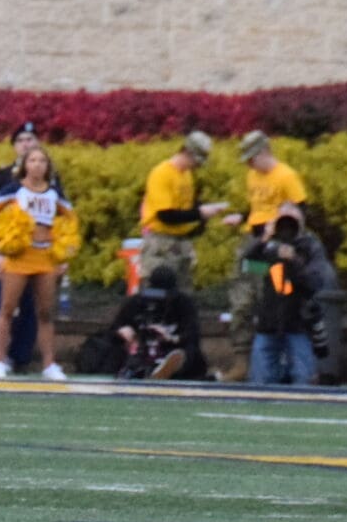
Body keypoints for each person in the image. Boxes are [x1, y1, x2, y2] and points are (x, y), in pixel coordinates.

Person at [0, 122, 66, 368]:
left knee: (43, 311)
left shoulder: (54, 189)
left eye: (31, 140)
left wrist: (63, 253)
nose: (27, 145)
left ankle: (41, 362)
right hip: (15, 256)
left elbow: (68, 221)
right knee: (5, 306)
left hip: (44, 256)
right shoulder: (6, 181)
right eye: (22, 140)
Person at [220, 130, 308, 378]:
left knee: (270, 299)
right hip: (254, 244)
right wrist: (242, 218)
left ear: (263, 152)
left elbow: (300, 211)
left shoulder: (286, 176)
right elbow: (256, 209)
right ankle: (241, 360)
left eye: (251, 158)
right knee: (243, 296)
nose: (249, 164)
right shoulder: (252, 176)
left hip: (274, 246)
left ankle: (280, 365)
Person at [244, 204, 326, 385]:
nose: (286, 226)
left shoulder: (309, 247)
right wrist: (263, 239)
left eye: (292, 221)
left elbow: (315, 283)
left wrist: (294, 261)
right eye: (282, 220)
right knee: (261, 378)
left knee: (302, 378)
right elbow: (248, 267)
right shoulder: (269, 247)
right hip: (269, 320)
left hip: (298, 321)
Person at [138, 131, 228, 290]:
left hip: (181, 242)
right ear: (187, 152)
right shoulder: (161, 174)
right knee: (156, 291)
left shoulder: (186, 175)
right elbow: (165, 215)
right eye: (197, 161)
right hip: (161, 242)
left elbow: (187, 207)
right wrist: (200, 213)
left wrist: (206, 211)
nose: (197, 166)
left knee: (182, 293)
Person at [111, 265, 206, 380]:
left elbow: (192, 334)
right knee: (119, 352)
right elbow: (116, 326)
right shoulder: (137, 302)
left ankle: (167, 370)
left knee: (189, 353)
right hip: (141, 348)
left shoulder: (184, 304)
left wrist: (170, 337)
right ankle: (136, 370)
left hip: (171, 347)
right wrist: (124, 331)